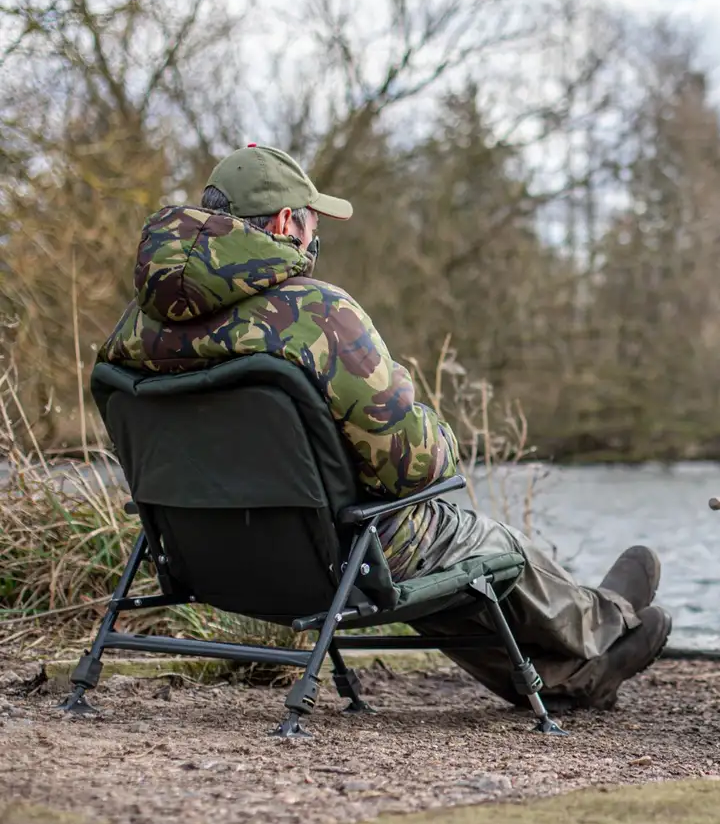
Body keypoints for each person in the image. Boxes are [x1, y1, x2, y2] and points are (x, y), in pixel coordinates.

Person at [97, 143, 672, 710]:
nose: (314, 239)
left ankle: (567, 677)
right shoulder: (318, 314)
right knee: (481, 541)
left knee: (422, 551)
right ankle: (607, 620)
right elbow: (412, 467)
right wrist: (430, 422)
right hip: (326, 558)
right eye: (312, 224)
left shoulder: (129, 330)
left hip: (198, 559)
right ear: (283, 223)